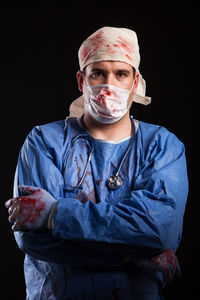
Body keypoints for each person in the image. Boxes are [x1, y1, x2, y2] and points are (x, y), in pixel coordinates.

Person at [5, 26, 188, 300]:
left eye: (121, 74)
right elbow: (33, 238)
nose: (109, 85)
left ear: (135, 81)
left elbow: (157, 232)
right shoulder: (44, 142)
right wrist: (131, 257)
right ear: (81, 80)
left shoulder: (162, 146)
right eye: (98, 73)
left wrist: (55, 214)